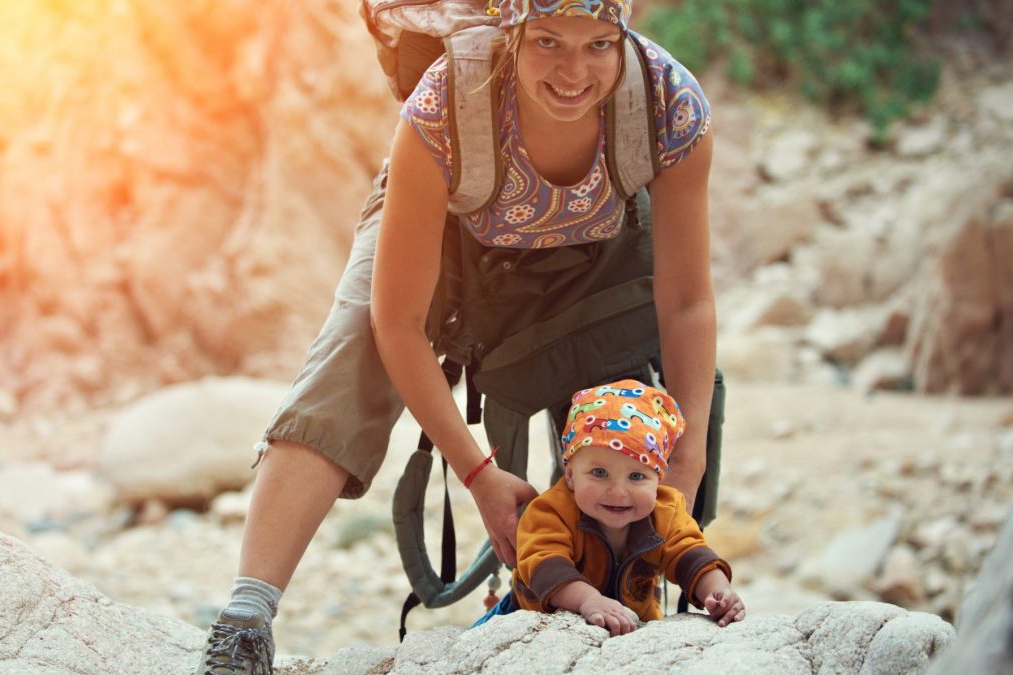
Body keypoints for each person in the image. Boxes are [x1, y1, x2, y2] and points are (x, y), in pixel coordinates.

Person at [196, 0, 718, 672]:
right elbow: (397, 323)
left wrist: (691, 446)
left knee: (631, 420)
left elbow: (685, 302)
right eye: (549, 41)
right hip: (448, 223)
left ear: (624, 36)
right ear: (512, 32)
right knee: (350, 347)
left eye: (599, 45)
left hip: (597, 241)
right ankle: (246, 618)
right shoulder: (444, 105)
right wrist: (476, 472)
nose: (573, 70)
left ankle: (615, 610)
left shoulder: (668, 107)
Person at [473, 379, 743, 634]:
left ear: (658, 479)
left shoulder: (666, 511)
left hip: (635, 621)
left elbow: (689, 552)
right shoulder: (550, 511)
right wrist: (588, 600)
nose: (617, 492)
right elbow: (544, 565)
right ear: (570, 475)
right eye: (599, 473)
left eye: (636, 476)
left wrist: (716, 590)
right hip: (539, 617)